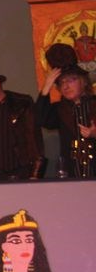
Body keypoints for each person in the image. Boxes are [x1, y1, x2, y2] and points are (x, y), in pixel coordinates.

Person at [36, 44, 95, 178]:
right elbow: (40, 119)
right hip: (72, 176)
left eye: (71, 80)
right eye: (61, 82)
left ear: (84, 81)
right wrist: (47, 86)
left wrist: (94, 133)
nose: (66, 86)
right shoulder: (60, 110)